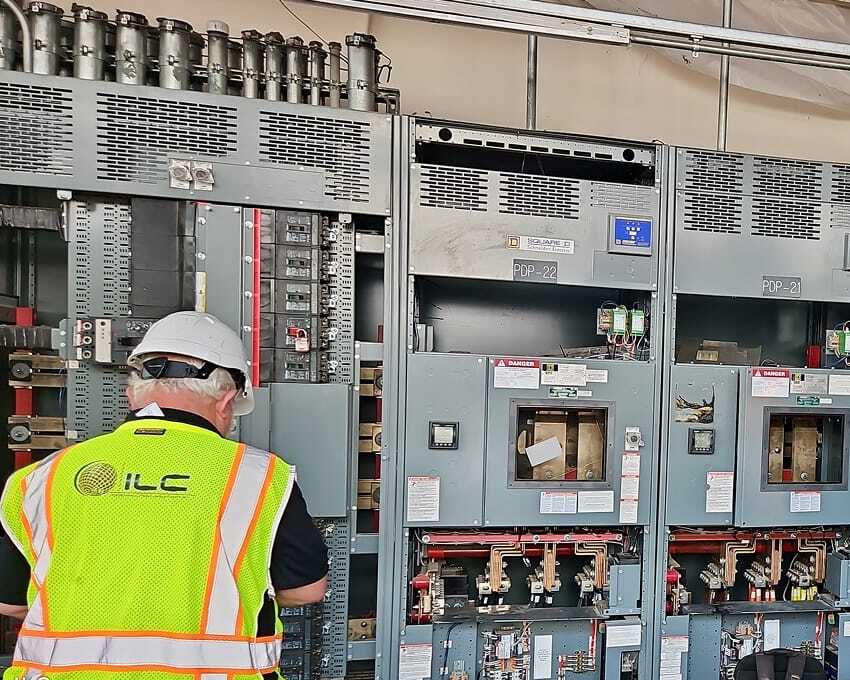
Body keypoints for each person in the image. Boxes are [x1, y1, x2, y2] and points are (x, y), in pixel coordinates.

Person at [0, 311, 328, 679]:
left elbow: (10, 601)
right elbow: (307, 590)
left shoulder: (41, 478)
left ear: (131, 395)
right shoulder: (259, 477)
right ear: (226, 399)